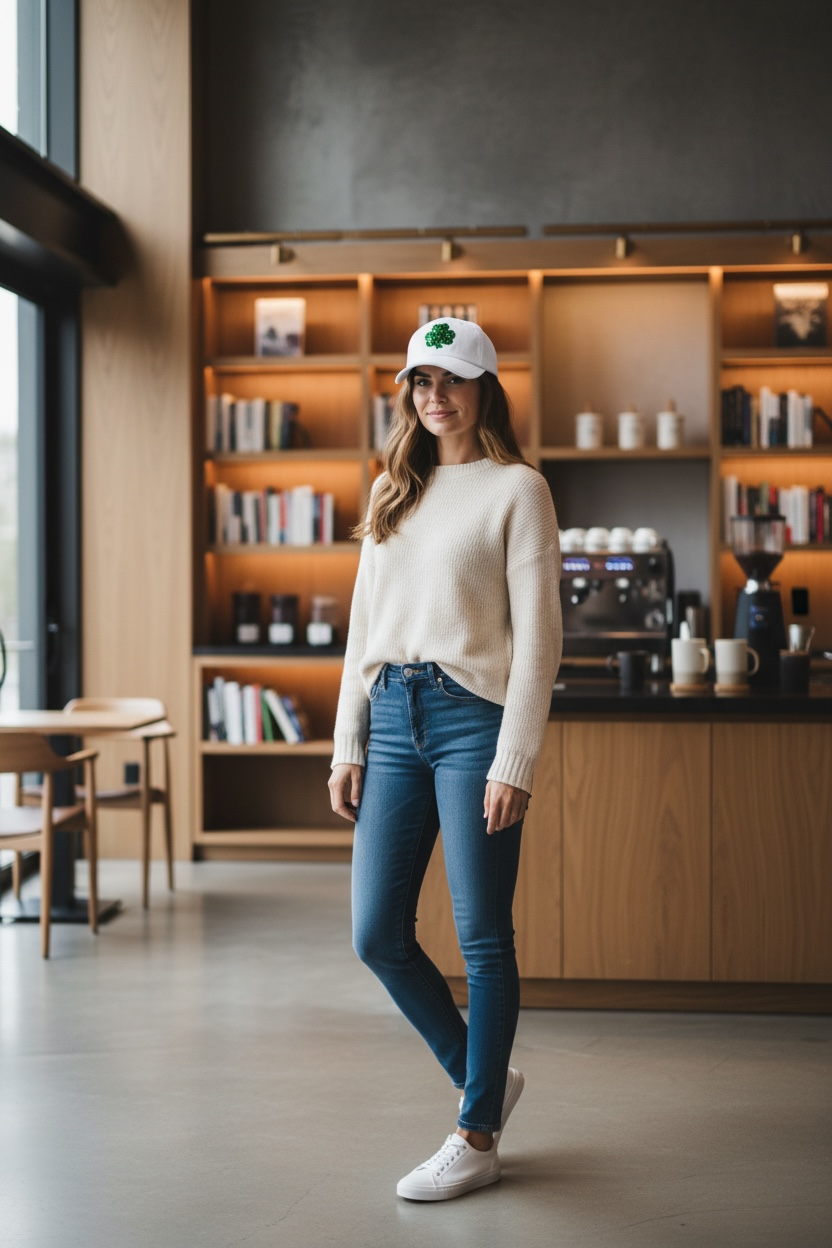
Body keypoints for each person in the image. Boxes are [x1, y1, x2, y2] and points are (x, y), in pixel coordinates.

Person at [328, 316, 562, 1201]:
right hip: (392, 718)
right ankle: (485, 1076)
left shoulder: (518, 490)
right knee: (377, 933)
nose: (435, 397)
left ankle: (477, 1132)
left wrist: (516, 760)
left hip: (473, 720)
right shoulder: (395, 487)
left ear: (484, 390)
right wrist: (348, 738)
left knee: (481, 935)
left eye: (452, 381)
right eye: (421, 383)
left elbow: (538, 642)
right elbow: (364, 630)